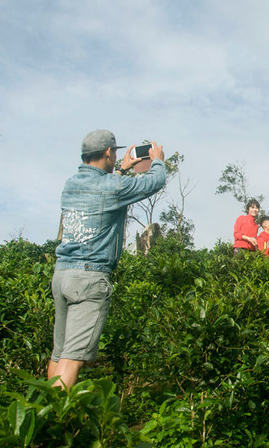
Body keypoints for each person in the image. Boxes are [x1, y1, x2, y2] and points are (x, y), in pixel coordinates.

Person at [49, 130, 166, 389]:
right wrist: (157, 160)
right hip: (89, 279)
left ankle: (44, 411)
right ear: (108, 153)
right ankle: (54, 424)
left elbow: (103, 190)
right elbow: (153, 183)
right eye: (114, 152)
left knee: (58, 355)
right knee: (73, 358)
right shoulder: (112, 186)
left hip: (62, 275)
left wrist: (121, 170)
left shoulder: (70, 185)